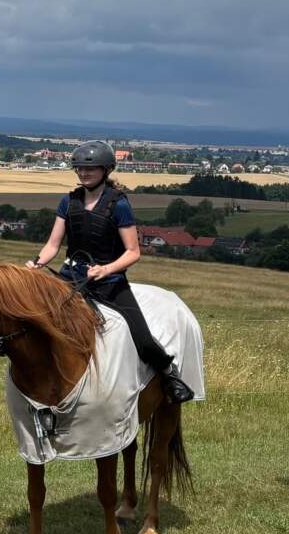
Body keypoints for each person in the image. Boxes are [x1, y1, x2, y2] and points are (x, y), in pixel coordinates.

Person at [28, 141, 195, 403]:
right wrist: (37, 263)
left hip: (110, 283)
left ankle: (169, 374)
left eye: (90, 169)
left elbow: (133, 252)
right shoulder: (68, 202)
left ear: (106, 170)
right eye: (79, 169)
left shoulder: (118, 205)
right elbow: (52, 244)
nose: (83, 174)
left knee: (141, 333)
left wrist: (106, 269)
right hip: (70, 277)